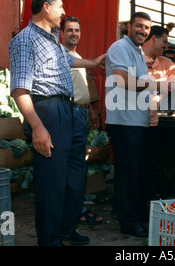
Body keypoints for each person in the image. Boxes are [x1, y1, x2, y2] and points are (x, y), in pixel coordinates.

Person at [9, 0, 105, 246]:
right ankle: (49, 241)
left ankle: (66, 229)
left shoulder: (52, 38)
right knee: (52, 182)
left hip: (69, 111)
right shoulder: (25, 39)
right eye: (60, 6)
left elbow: (69, 61)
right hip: (47, 111)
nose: (63, 11)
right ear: (46, 7)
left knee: (75, 178)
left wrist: (95, 62)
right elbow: (19, 89)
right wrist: (38, 128)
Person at [105, 12, 170, 238]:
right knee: (128, 174)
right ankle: (129, 223)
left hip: (137, 122)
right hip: (123, 122)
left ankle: (134, 215)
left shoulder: (138, 52)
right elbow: (121, 80)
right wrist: (155, 86)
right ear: (128, 26)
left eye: (146, 28)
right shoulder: (119, 48)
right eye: (139, 26)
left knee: (137, 174)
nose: (143, 30)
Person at [59, 16, 102, 226]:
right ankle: (70, 212)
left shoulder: (77, 56)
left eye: (77, 30)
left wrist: (91, 110)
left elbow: (81, 88)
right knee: (71, 166)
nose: (74, 34)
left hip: (82, 114)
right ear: (61, 33)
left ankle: (76, 209)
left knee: (78, 166)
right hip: (69, 114)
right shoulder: (60, 55)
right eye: (69, 30)